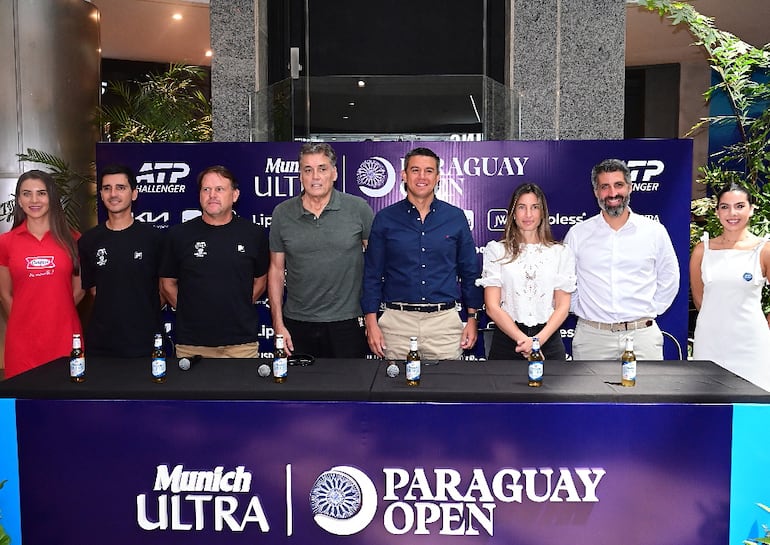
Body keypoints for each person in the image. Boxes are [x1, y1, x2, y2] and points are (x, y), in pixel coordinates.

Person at [362, 146, 483, 361]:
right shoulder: (385, 218)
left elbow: (469, 271)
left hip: (444, 324)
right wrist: (371, 322)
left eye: (429, 171)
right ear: (404, 175)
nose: (422, 177)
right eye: (415, 170)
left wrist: (472, 318)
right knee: (395, 383)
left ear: (438, 177)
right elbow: (372, 274)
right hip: (396, 325)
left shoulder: (455, 217)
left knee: (446, 383)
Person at [564, 158, 679, 360]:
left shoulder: (654, 232)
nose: (612, 193)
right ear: (596, 192)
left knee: (648, 383)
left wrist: (647, 311)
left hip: (642, 336)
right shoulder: (578, 234)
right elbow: (565, 282)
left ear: (630, 187)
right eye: (605, 187)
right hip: (592, 338)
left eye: (618, 185)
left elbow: (669, 278)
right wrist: (582, 311)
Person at [268, 143, 374, 357]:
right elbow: (276, 271)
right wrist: (278, 323)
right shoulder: (282, 213)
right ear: (300, 176)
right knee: (299, 381)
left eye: (322, 169)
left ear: (334, 173)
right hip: (297, 323)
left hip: (347, 323)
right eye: (308, 170)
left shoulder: (358, 209)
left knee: (349, 380)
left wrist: (372, 320)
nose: (315, 176)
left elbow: (375, 266)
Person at [160, 165, 269, 358]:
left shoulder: (254, 234)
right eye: (206, 189)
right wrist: (190, 312)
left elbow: (261, 281)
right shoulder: (178, 235)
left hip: (241, 345)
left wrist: (236, 308)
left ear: (235, 195)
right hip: (192, 345)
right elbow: (167, 284)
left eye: (219, 189)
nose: (212, 195)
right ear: (199, 195)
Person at [0, 170, 84, 378]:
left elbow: (80, 289)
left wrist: (55, 314)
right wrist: (26, 320)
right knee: (23, 396)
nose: (34, 200)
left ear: (52, 198)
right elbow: (4, 294)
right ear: (19, 200)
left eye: (41, 193)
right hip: (22, 343)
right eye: (26, 194)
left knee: (66, 396)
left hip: (65, 338)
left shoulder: (73, 239)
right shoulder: (6, 242)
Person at [477, 183, 576, 360]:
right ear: (513, 213)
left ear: (542, 213)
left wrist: (537, 341)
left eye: (534, 207)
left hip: (548, 341)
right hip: (507, 342)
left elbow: (563, 306)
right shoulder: (497, 251)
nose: (528, 214)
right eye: (522, 207)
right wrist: (523, 341)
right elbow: (492, 306)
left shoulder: (561, 252)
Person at [78, 164, 164, 357]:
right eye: (107, 188)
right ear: (101, 195)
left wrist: (140, 313)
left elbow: (164, 287)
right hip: (102, 344)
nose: (113, 194)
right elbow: (93, 290)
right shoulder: (88, 240)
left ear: (134, 194)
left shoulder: (154, 239)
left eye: (120, 187)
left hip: (145, 342)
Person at [690, 182, 770, 390]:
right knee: (709, 401)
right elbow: (699, 299)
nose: (732, 213)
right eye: (725, 207)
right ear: (717, 212)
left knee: (755, 402)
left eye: (740, 206)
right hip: (709, 342)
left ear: (751, 209)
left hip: (752, 345)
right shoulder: (702, 251)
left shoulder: (764, 250)